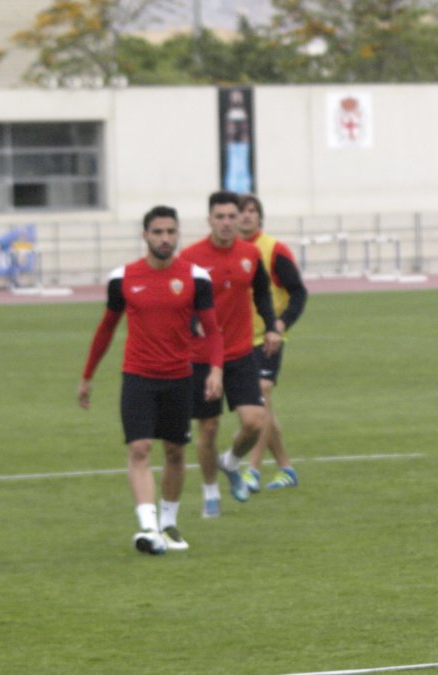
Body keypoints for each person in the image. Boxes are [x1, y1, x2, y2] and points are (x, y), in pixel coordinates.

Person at [77, 205, 224, 554]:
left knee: (175, 452)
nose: (165, 238)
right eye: (157, 232)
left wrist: (216, 369)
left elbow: (214, 330)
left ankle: (167, 524)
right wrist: (87, 376)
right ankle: (147, 528)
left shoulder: (196, 277)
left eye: (171, 232)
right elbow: (106, 329)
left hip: (180, 377)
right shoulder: (123, 278)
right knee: (140, 448)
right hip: (138, 377)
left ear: (177, 235)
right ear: (145, 235)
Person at [181, 191, 281, 518]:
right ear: (209, 219)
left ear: (240, 219)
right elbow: (181, 300)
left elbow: (263, 292)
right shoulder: (191, 257)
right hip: (202, 356)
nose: (226, 223)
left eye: (231, 217)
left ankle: (231, 462)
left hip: (239, 352)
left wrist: (270, 326)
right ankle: (211, 493)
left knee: (254, 422)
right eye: (219, 217)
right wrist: (194, 321)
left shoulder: (250, 254)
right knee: (208, 428)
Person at [235, 194, 308, 492]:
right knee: (264, 409)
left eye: (252, 211)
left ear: (260, 218)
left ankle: (251, 469)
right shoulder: (230, 253)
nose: (245, 216)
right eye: (240, 212)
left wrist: (280, 324)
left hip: (267, 340)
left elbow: (298, 292)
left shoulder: (274, 250)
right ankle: (286, 468)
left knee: (261, 397)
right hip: (238, 340)